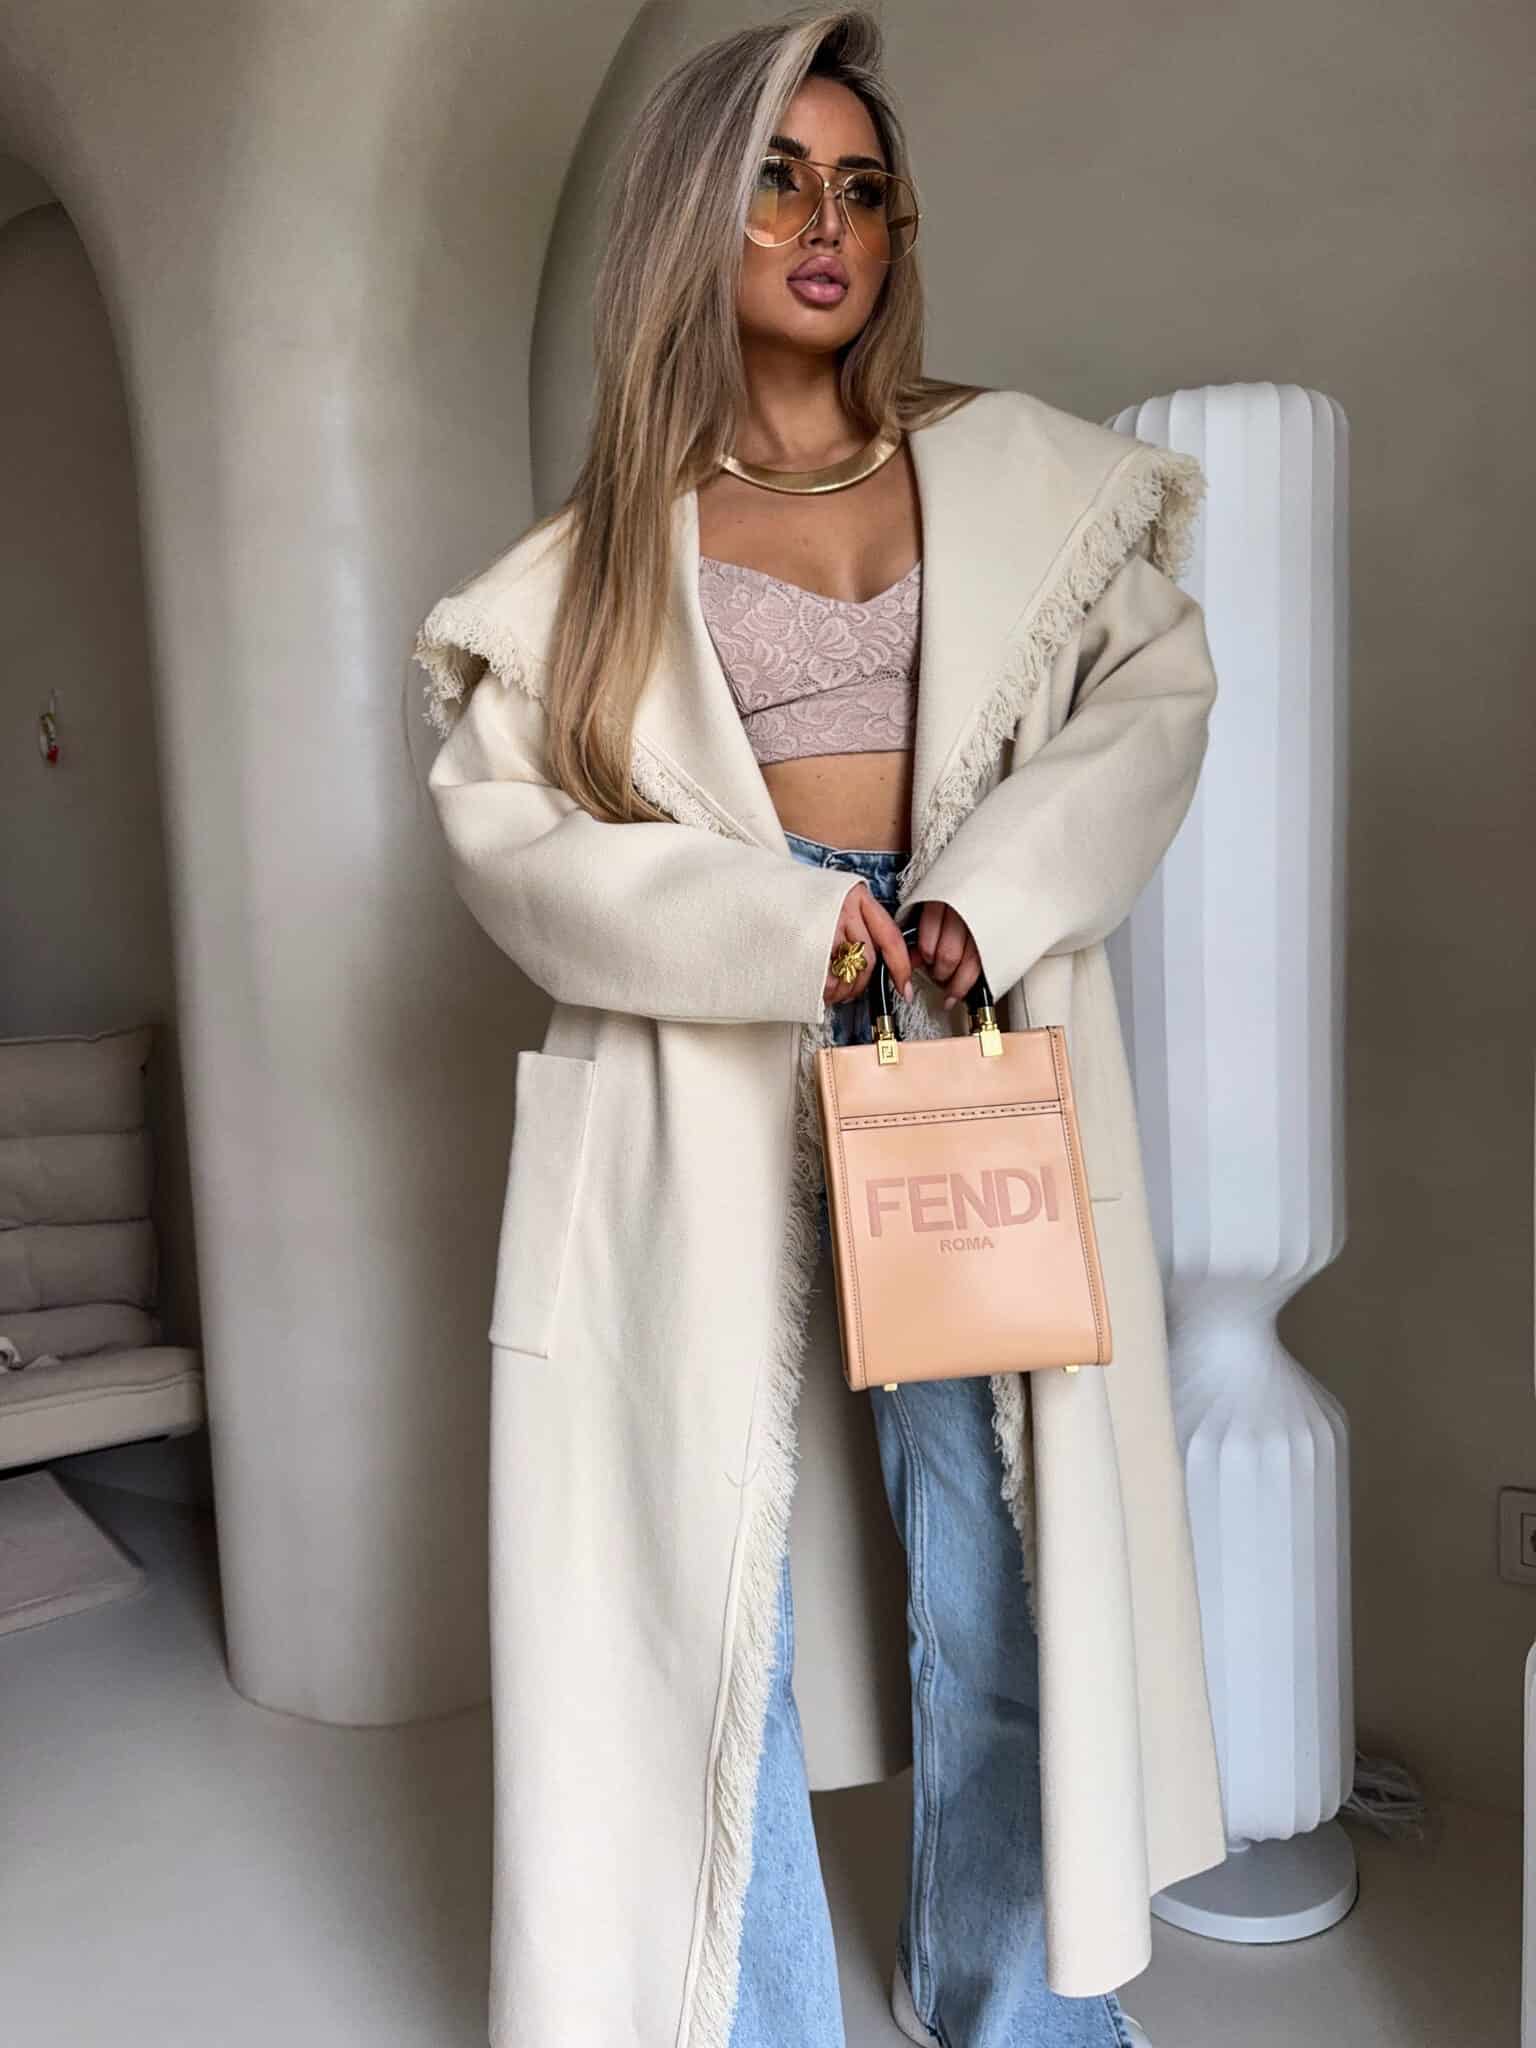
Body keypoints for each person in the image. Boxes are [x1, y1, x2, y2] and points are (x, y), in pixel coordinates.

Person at [413, 10, 1227, 2047]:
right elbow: (509, 839)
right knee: (713, 1572)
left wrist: (974, 902)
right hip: (704, 1053)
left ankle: (1017, 2006)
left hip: (949, 1030)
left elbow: (1151, 712)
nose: (824, 223)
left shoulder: (1024, 478)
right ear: (692, 218)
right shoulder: (597, 556)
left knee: (995, 1548)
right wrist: (782, 927)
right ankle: (748, 2019)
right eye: (776, 178)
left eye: (860, 186)